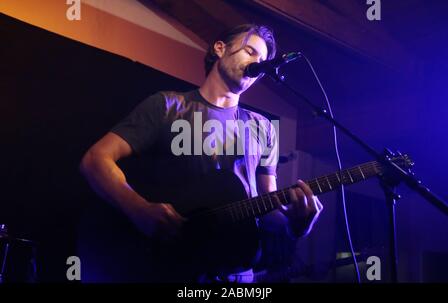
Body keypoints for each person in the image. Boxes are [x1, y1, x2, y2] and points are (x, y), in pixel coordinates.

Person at [79, 24, 323, 283]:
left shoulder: (264, 129)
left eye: (262, 61)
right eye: (250, 52)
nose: (257, 64)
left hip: (237, 274)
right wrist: (138, 209)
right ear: (220, 48)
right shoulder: (167, 106)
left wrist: (297, 225)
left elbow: (267, 208)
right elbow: (95, 160)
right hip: (172, 270)